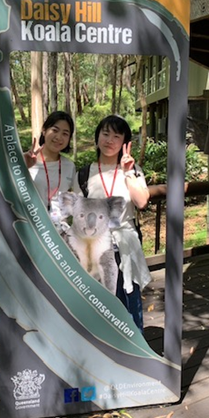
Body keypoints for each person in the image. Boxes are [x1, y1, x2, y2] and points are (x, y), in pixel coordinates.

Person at [74, 114, 151, 331]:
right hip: (96, 247)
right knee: (101, 304)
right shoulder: (84, 174)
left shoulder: (134, 170)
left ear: (125, 142)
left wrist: (128, 173)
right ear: (97, 136)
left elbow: (142, 202)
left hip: (125, 245)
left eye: (117, 136)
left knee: (130, 300)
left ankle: (135, 345)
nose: (110, 140)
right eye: (105, 134)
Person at [24, 111, 76, 210]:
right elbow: (1, 192)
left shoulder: (69, 166)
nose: (59, 137)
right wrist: (21, 167)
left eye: (65, 134)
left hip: (59, 220)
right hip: (31, 219)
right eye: (55, 130)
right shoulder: (26, 161)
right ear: (44, 130)